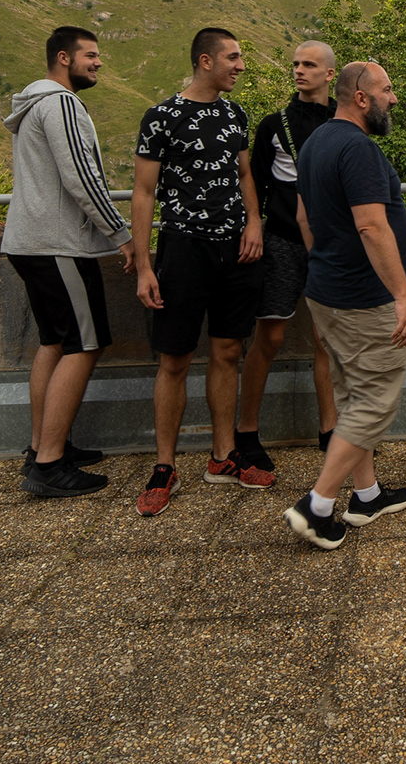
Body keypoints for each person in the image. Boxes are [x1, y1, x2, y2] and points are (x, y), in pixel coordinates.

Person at [130, 27, 270, 517]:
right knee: (175, 358)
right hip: (183, 249)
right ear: (205, 61)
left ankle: (222, 456)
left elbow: (245, 174)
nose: (240, 66)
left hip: (236, 250)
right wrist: (144, 265)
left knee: (228, 351)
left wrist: (254, 223)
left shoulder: (235, 114)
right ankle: (164, 467)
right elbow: (143, 193)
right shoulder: (161, 117)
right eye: (233, 57)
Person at [283, 61, 406, 550]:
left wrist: (329, 261)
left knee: (352, 395)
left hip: (327, 292)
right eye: (387, 90)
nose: (393, 99)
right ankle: (316, 506)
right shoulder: (358, 148)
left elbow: (304, 217)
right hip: (364, 300)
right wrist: (402, 296)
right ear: (361, 98)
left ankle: (367, 495)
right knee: (375, 402)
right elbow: (371, 226)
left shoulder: (316, 142)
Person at [2, 25, 135, 498]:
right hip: (57, 244)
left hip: (29, 241)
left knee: (55, 342)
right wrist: (121, 235)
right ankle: (50, 465)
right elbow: (81, 176)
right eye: (90, 55)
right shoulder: (60, 104)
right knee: (84, 344)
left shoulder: (34, 103)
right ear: (64, 58)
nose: (98, 63)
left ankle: (42, 446)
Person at [243, 41, 342, 461]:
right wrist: (253, 225)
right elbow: (254, 183)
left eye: (309, 64)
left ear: (329, 74)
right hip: (281, 242)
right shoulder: (273, 125)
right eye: (296, 64)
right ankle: (247, 433)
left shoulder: (345, 121)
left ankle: (331, 432)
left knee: (328, 340)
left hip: (331, 246)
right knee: (269, 337)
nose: (299, 70)